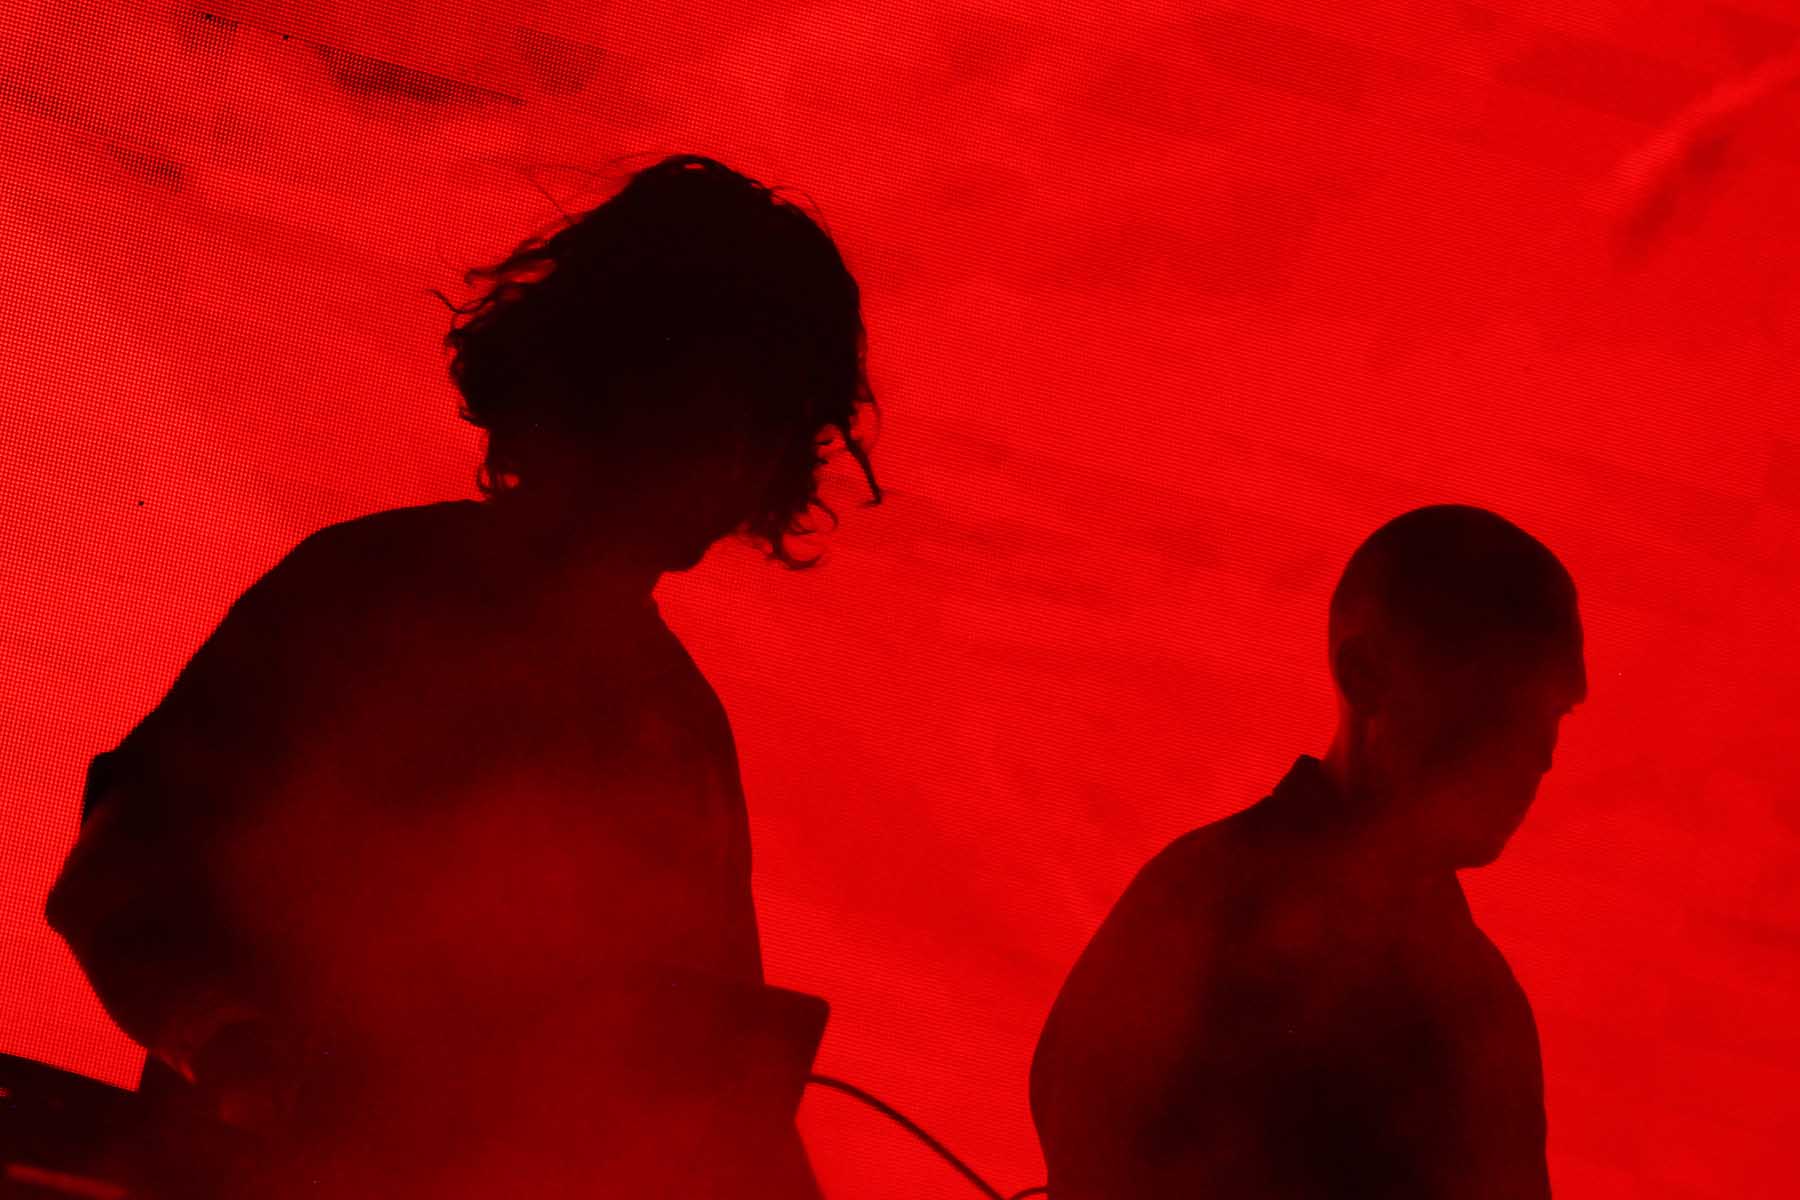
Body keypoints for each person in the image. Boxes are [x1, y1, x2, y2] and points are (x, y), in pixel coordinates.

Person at [44, 153, 880, 1198]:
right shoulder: (367, 598)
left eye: (770, 431)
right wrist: (247, 1056)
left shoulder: (674, 726)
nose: (738, 462)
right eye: (718, 414)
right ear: (618, 386)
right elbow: (127, 874)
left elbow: (711, 1082)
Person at [1030, 504, 1587, 1199]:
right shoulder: (1194, 916)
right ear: (1366, 677)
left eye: (1554, 711)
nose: (1540, 753)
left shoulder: (1482, 1000)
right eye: (1499, 698)